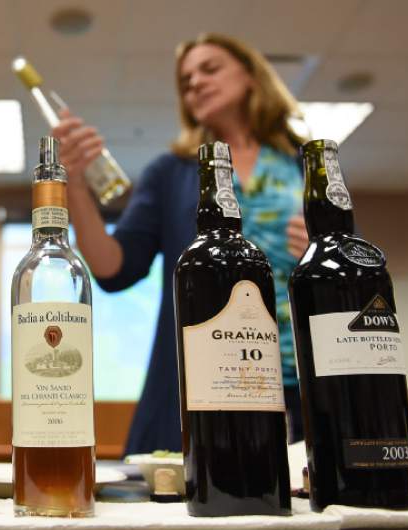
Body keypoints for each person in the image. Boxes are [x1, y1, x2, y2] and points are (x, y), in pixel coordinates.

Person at [52, 33, 309, 454]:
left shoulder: (304, 162)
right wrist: (75, 185)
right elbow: (114, 267)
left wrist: (316, 255)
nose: (195, 85)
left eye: (210, 69)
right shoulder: (171, 172)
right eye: (186, 81)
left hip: (298, 376)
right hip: (205, 379)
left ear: (251, 76)